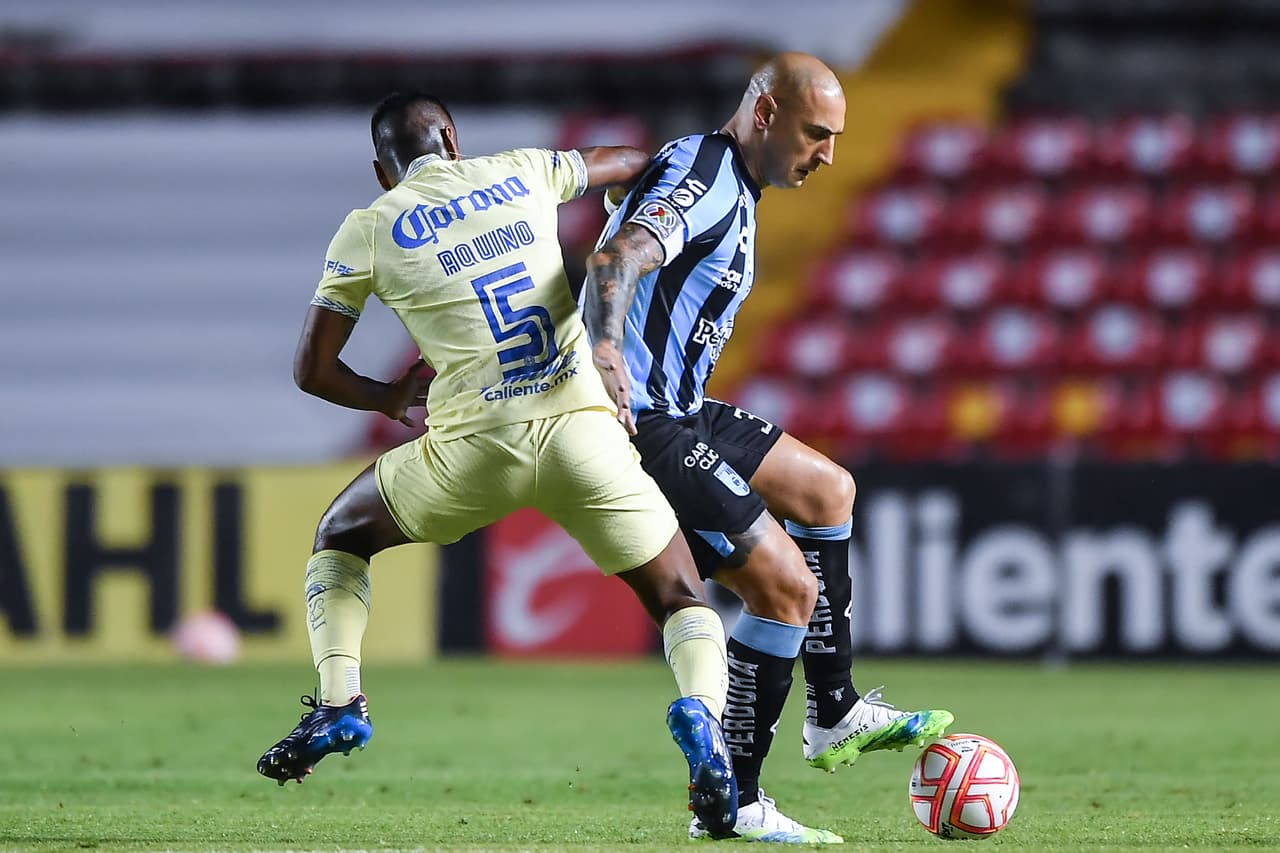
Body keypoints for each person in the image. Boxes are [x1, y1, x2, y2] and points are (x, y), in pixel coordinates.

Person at [255, 91, 740, 839]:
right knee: (681, 596)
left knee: (340, 535)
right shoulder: (521, 171)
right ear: (452, 137)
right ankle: (704, 720)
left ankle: (339, 700)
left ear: (383, 173)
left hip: (472, 448)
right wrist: (619, 192)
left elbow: (311, 370)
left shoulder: (368, 228)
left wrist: (389, 397)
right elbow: (635, 162)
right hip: (584, 431)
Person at [584, 53, 954, 843]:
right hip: (643, 421)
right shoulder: (712, 176)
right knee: (786, 590)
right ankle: (735, 803)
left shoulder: (727, 183)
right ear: (765, 113)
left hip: (684, 407)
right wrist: (608, 349)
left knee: (830, 492)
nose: (827, 154)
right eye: (816, 133)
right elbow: (616, 258)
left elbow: (636, 215)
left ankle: (834, 709)